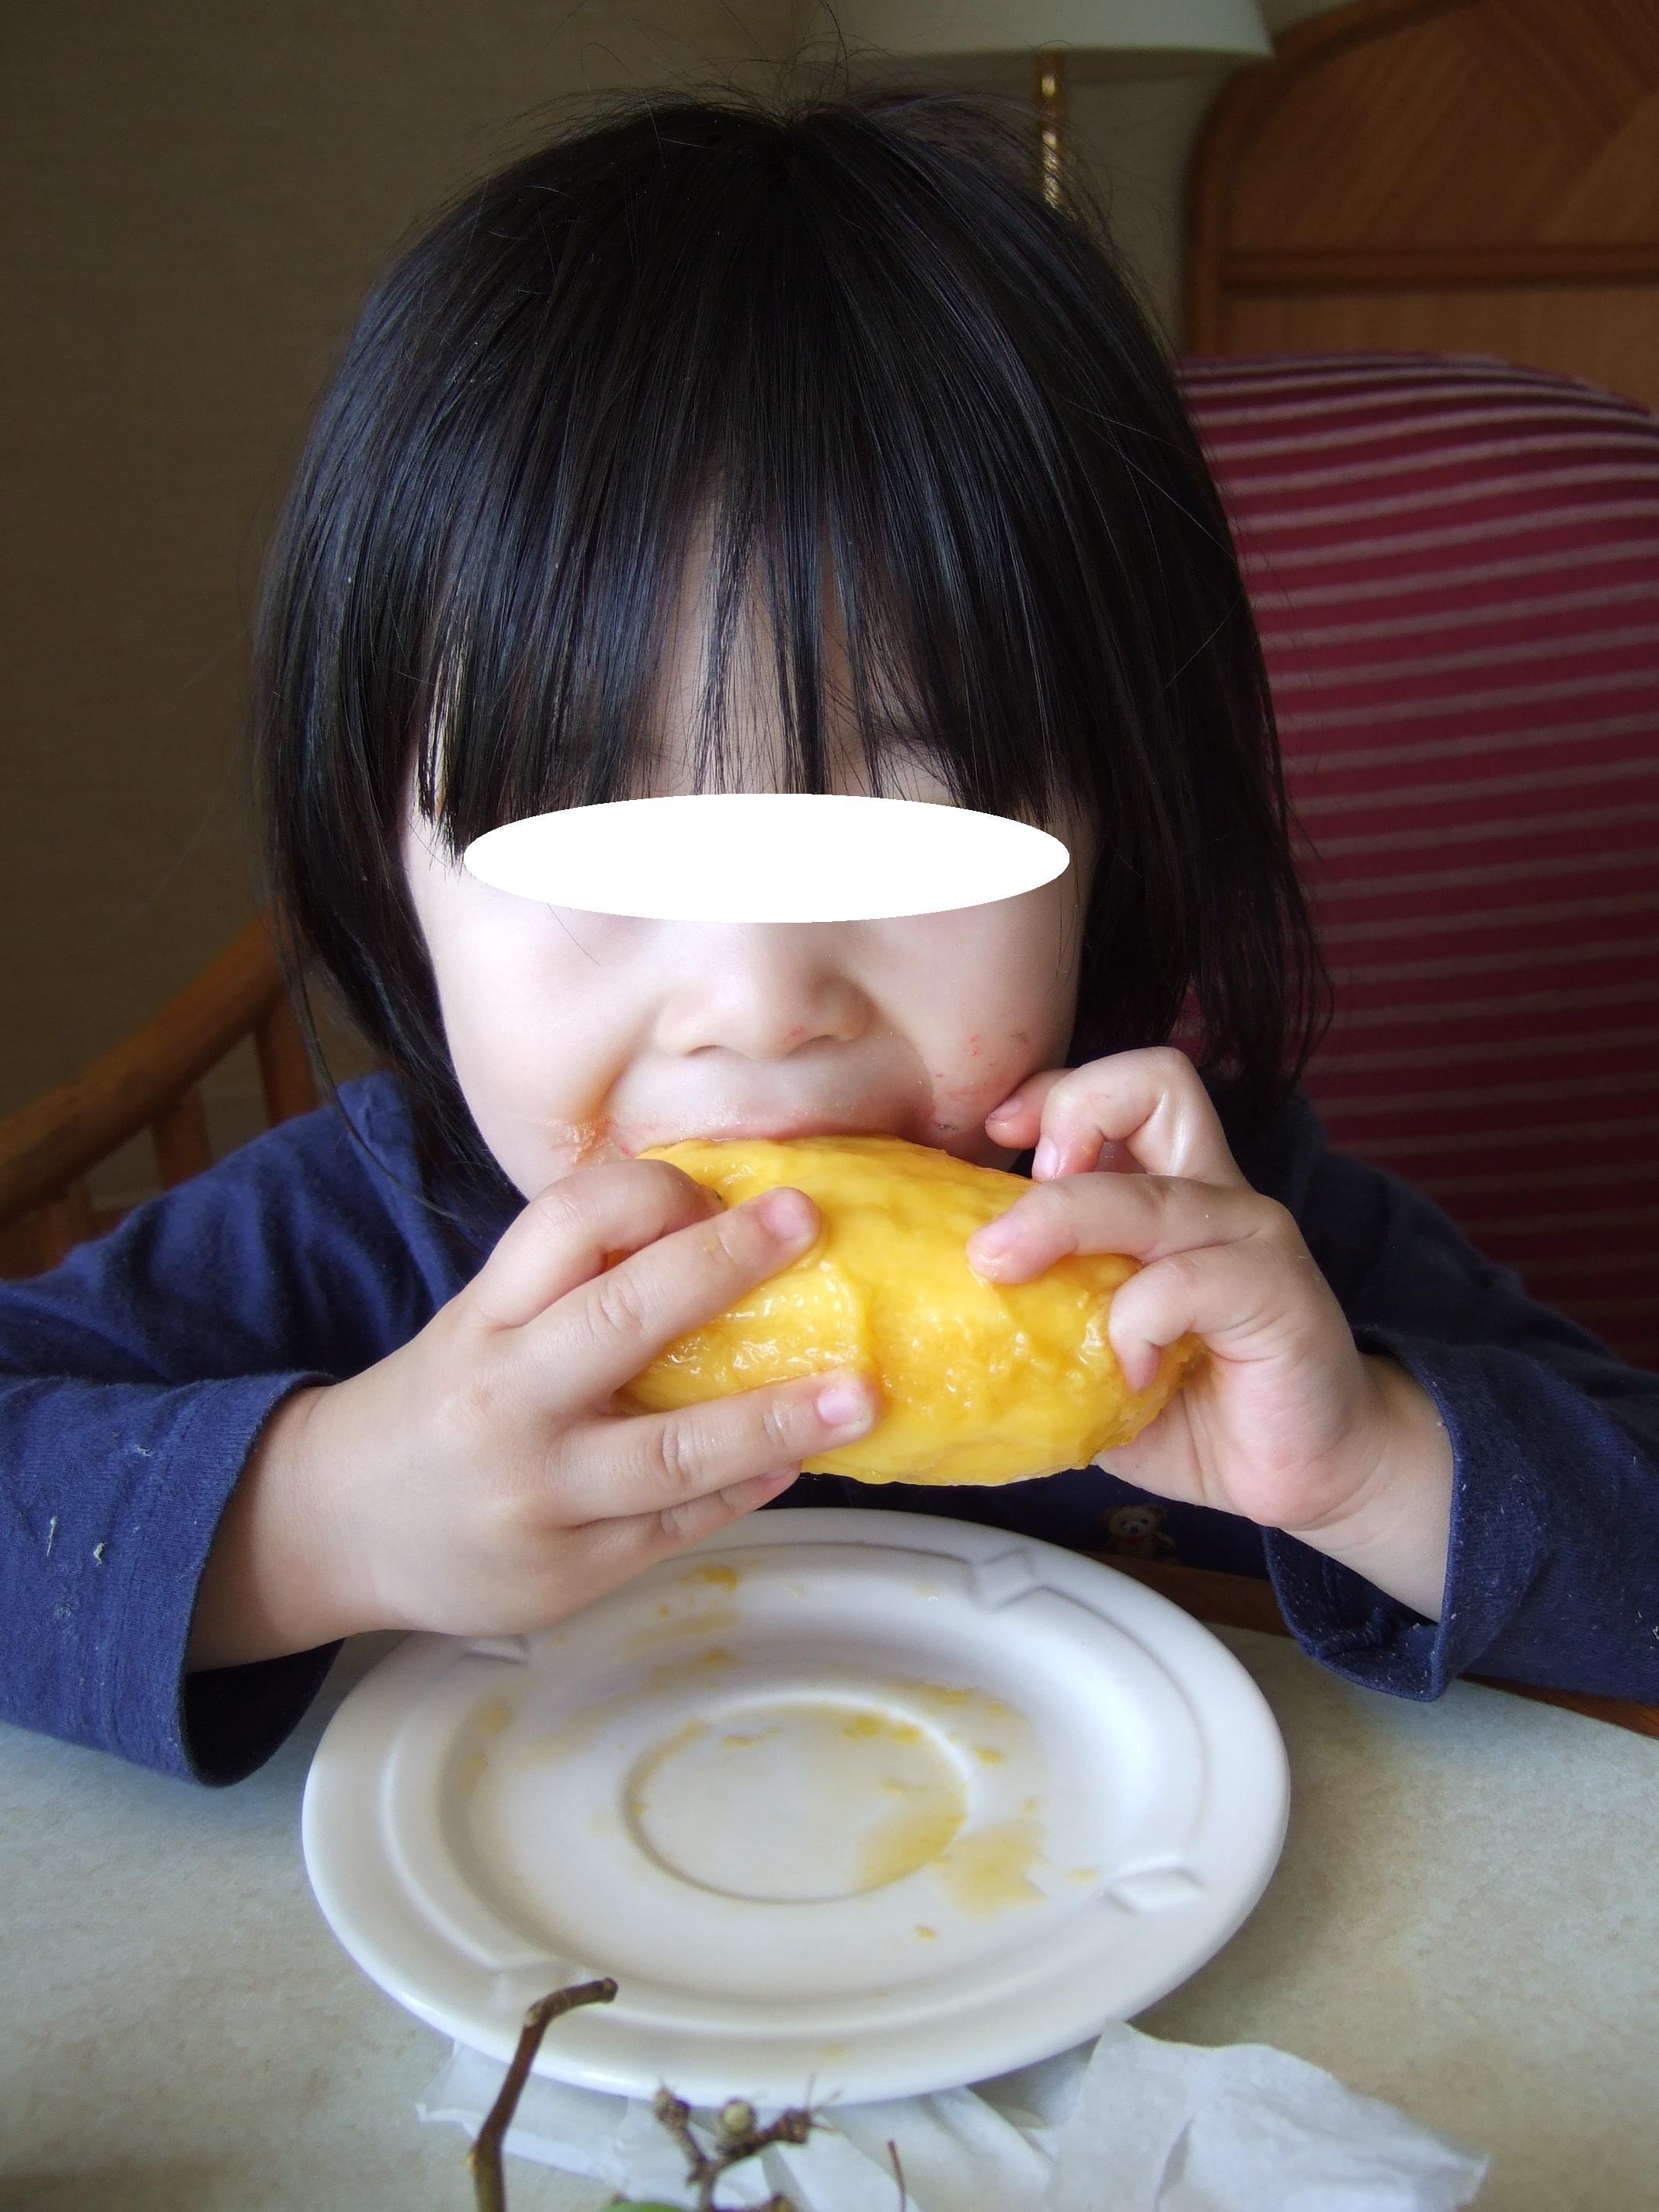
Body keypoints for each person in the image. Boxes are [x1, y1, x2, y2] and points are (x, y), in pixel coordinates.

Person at [4, 89, 1655, 1787]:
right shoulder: (358, 1234)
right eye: (588, 825)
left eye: (914, 819)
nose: (759, 997)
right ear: (387, 856)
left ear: (1113, 832)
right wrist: (323, 1518)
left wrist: (1367, 1461)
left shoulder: (1214, 1244)